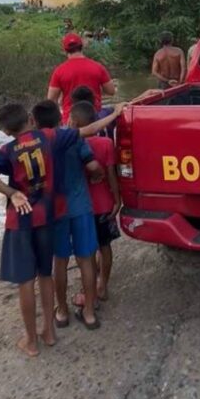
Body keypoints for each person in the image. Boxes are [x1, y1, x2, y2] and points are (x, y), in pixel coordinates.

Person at [0, 101, 123, 356]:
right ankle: (78, 317)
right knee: (82, 261)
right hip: (65, 211)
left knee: (46, 268)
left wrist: (12, 193)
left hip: (42, 216)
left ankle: (53, 319)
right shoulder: (56, 138)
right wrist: (115, 113)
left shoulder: (14, 148)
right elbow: (90, 138)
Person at [32, 101, 102, 330]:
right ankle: (89, 313)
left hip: (55, 211)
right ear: (60, 117)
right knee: (86, 260)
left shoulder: (35, 144)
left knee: (59, 262)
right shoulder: (73, 137)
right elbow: (92, 166)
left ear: (35, 122)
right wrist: (97, 176)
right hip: (80, 206)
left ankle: (61, 312)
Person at [71, 101, 122, 299]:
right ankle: (103, 286)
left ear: (74, 122)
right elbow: (111, 175)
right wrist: (117, 200)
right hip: (105, 204)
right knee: (105, 246)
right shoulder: (106, 143)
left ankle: (89, 287)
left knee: (87, 250)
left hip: (82, 207)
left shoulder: (73, 145)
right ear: (95, 121)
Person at [48, 33, 116, 123]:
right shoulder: (97, 67)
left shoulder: (59, 71)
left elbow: (51, 100)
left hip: (70, 120)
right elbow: (111, 91)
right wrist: (95, 87)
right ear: (82, 46)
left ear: (65, 50)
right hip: (95, 119)